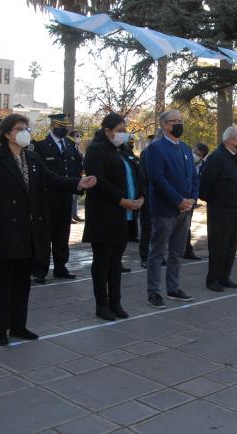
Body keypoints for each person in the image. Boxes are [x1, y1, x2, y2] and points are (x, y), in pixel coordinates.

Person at [0, 114, 95, 346]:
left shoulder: (31, 157)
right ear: (8, 133)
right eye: (20, 128)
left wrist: (77, 183)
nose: (25, 133)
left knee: (22, 281)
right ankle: (0, 328)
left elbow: (51, 179)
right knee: (2, 283)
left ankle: (18, 325)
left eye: (27, 128)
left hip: (29, 231)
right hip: (4, 231)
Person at [83, 113, 143, 320]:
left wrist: (140, 196)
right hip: (104, 214)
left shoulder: (124, 151)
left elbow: (136, 175)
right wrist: (121, 200)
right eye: (120, 131)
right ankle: (102, 304)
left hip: (124, 215)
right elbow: (98, 181)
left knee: (116, 262)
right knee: (102, 262)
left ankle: (116, 301)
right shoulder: (95, 150)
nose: (123, 135)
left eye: (125, 130)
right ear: (107, 131)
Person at [144, 110, 198, 308]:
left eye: (181, 121)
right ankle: (153, 292)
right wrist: (178, 200)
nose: (179, 124)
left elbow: (194, 175)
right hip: (165, 209)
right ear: (164, 125)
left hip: (185, 209)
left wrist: (192, 198)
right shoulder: (156, 149)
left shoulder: (184, 147)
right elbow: (157, 179)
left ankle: (173, 288)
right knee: (158, 252)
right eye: (175, 121)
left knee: (177, 251)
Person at [32, 113, 83, 283]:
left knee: (63, 233)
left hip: (65, 196)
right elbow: (40, 173)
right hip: (47, 196)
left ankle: (61, 266)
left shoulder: (70, 145)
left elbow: (76, 167)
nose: (63, 129)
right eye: (60, 126)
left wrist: (77, 184)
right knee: (44, 234)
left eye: (65, 126)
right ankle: (41, 269)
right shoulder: (39, 146)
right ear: (52, 126)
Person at [200, 127, 237, 291]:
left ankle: (225, 276)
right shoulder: (216, 158)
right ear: (231, 140)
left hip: (236, 210)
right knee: (218, 246)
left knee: (231, 245)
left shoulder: (236, 157)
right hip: (221, 211)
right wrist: (219, 201)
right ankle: (213, 279)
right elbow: (205, 187)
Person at [184, 143, 209, 261]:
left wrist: (194, 198)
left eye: (198, 155)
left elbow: (199, 184)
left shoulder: (204, 166)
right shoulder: (184, 161)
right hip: (180, 198)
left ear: (203, 157)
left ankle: (187, 250)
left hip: (192, 200)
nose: (195, 155)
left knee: (186, 225)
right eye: (194, 152)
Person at [138, 133, 155, 267]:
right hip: (148, 194)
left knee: (159, 228)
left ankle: (157, 255)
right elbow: (143, 175)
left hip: (160, 196)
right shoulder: (146, 153)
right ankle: (145, 257)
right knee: (147, 227)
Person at [69, 129, 84, 223]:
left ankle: (75, 214)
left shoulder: (77, 147)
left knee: (75, 197)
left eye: (79, 136)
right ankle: (69, 216)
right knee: (71, 197)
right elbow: (72, 163)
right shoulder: (69, 148)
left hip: (78, 176)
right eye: (77, 136)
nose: (79, 138)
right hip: (72, 176)